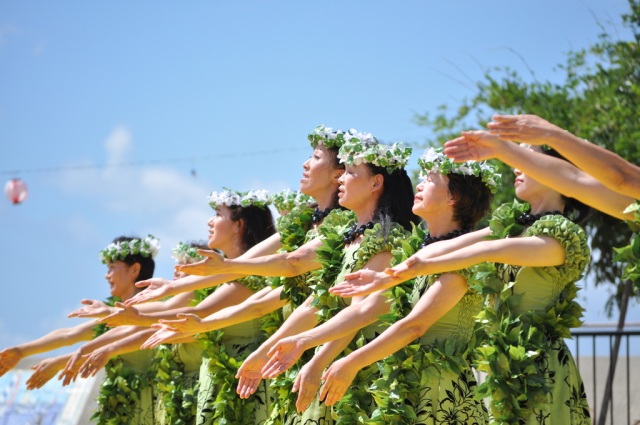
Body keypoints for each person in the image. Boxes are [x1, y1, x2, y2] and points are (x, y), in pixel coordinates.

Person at [331, 143, 592, 424]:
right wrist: (389, 275)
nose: (517, 166)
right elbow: (441, 249)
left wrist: (417, 268)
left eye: (529, 160)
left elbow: (490, 251)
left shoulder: (565, 236)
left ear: (560, 173)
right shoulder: (512, 226)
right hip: (503, 369)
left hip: (542, 371)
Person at [206, 135, 418, 423]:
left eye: (351, 172)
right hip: (324, 356)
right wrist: (266, 351)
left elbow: (358, 313)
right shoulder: (344, 237)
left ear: (375, 183)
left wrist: (317, 360)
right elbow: (315, 302)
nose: (341, 179)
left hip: (359, 369)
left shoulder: (387, 240)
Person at [84, 189, 276, 425]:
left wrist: (129, 321)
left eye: (217, 214)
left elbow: (195, 314)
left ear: (239, 225)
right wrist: (120, 316)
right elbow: (174, 309)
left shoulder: (248, 278)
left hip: (245, 386)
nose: (209, 221)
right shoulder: (222, 281)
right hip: (222, 384)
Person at [0, 235, 161, 424]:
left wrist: (61, 362)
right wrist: (21, 351)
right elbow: (69, 335)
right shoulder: (115, 314)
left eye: (111, 267)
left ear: (134, 269)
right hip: (120, 407)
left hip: (151, 404)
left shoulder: (155, 307)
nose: (106, 275)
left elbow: (117, 340)